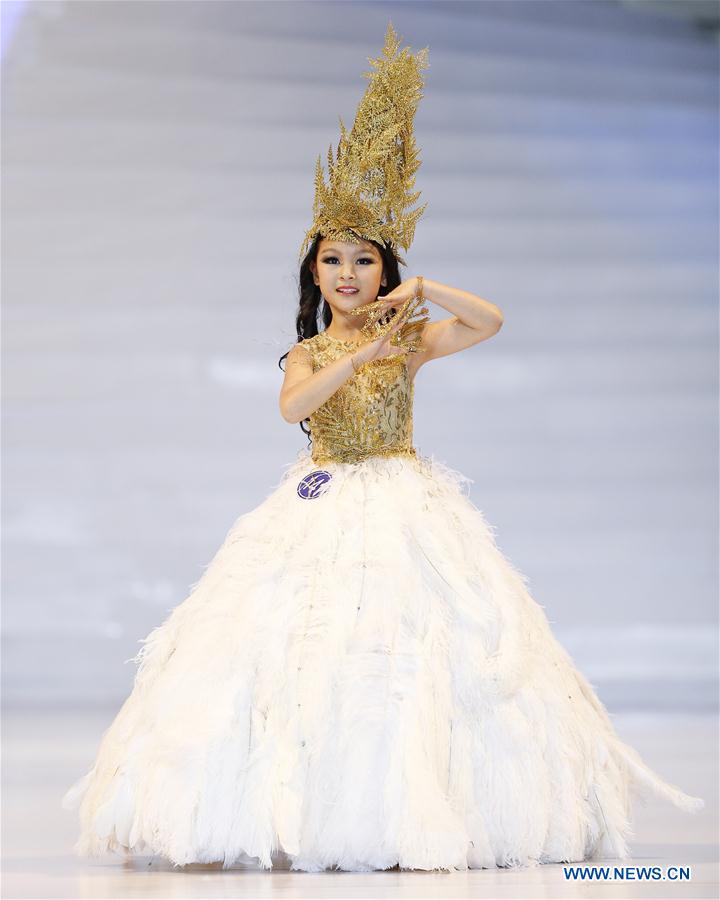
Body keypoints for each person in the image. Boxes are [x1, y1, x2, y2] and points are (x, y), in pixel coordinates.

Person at [61, 21, 703, 874]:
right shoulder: (311, 351)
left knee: (421, 656)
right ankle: (297, 809)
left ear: (382, 269)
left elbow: (492, 321)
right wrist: (356, 350)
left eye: (365, 261)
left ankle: (410, 809)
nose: (349, 275)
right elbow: (295, 402)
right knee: (296, 645)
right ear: (314, 274)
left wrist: (426, 290)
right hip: (322, 500)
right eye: (334, 261)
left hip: (404, 500)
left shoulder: (411, 341)